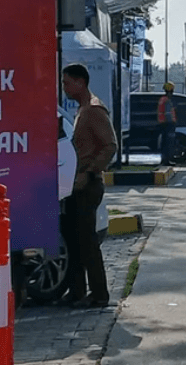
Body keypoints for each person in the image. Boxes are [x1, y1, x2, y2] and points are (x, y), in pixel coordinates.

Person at [60, 63, 117, 308]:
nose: (63, 87)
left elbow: (110, 146)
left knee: (87, 242)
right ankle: (76, 291)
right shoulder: (81, 109)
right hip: (75, 184)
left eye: (66, 82)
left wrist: (91, 171)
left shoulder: (94, 110)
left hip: (88, 184)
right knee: (73, 240)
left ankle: (99, 294)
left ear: (80, 82)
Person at [158, 82, 178, 165]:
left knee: (164, 142)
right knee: (168, 142)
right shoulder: (167, 100)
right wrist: (172, 121)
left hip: (163, 123)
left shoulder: (162, 99)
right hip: (168, 124)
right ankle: (166, 160)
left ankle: (164, 159)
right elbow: (168, 113)